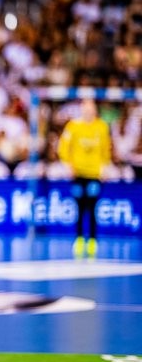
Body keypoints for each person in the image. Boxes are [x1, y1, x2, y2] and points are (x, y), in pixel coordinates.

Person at [57, 98, 111, 258]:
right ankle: (79, 238)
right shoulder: (73, 126)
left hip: (94, 173)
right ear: (81, 110)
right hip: (78, 173)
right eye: (86, 109)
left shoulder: (101, 127)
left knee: (92, 207)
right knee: (79, 207)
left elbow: (106, 149)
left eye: (91, 109)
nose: (88, 112)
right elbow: (63, 147)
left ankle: (93, 240)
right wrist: (68, 165)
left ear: (95, 110)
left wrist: (104, 167)